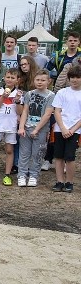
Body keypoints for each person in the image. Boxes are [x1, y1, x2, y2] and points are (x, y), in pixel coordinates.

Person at [17, 69, 54, 187]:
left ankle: (33, 175)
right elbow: (25, 111)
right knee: (24, 153)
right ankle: (22, 175)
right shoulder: (29, 94)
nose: (40, 82)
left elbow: (48, 114)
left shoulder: (51, 95)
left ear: (48, 81)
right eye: (38, 80)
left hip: (41, 129)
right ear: (34, 80)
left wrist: (37, 129)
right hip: (27, 127)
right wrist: (21, 127)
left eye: (43, 80)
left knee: (37, 153)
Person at [49, 61, 81, 193]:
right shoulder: (62, 92)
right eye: (72, 77)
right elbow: (57, 111)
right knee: (58, 156)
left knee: (70, 157)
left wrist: (72, 130)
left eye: (78, 77)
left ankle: (69, 182)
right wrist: (62, 128)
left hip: (74, 130)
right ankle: (59, 181)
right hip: (59, 129)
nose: (74, 80)